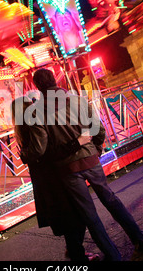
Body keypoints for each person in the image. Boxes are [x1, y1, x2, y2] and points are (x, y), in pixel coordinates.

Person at [28, 68, 143, 261]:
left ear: (37, 87)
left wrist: (27, 153)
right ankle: (140, 238)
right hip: (90, 159)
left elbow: (40, 148)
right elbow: (98, 128)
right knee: (110, 199)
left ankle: (114, 256)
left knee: (90, 215)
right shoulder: (78, 100)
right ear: (55, 80)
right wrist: (95, 148)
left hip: (67, 169)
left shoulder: (37, 112)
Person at [11, 96, 97, 261]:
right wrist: (76, 143)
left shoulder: (25, 131)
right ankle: (77, 255)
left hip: (47, 181)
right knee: (74, 217)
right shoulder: (34, 128)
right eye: (31, 105)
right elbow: (46, 153)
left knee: (70, 217)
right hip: (53, 180)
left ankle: (74, 251)